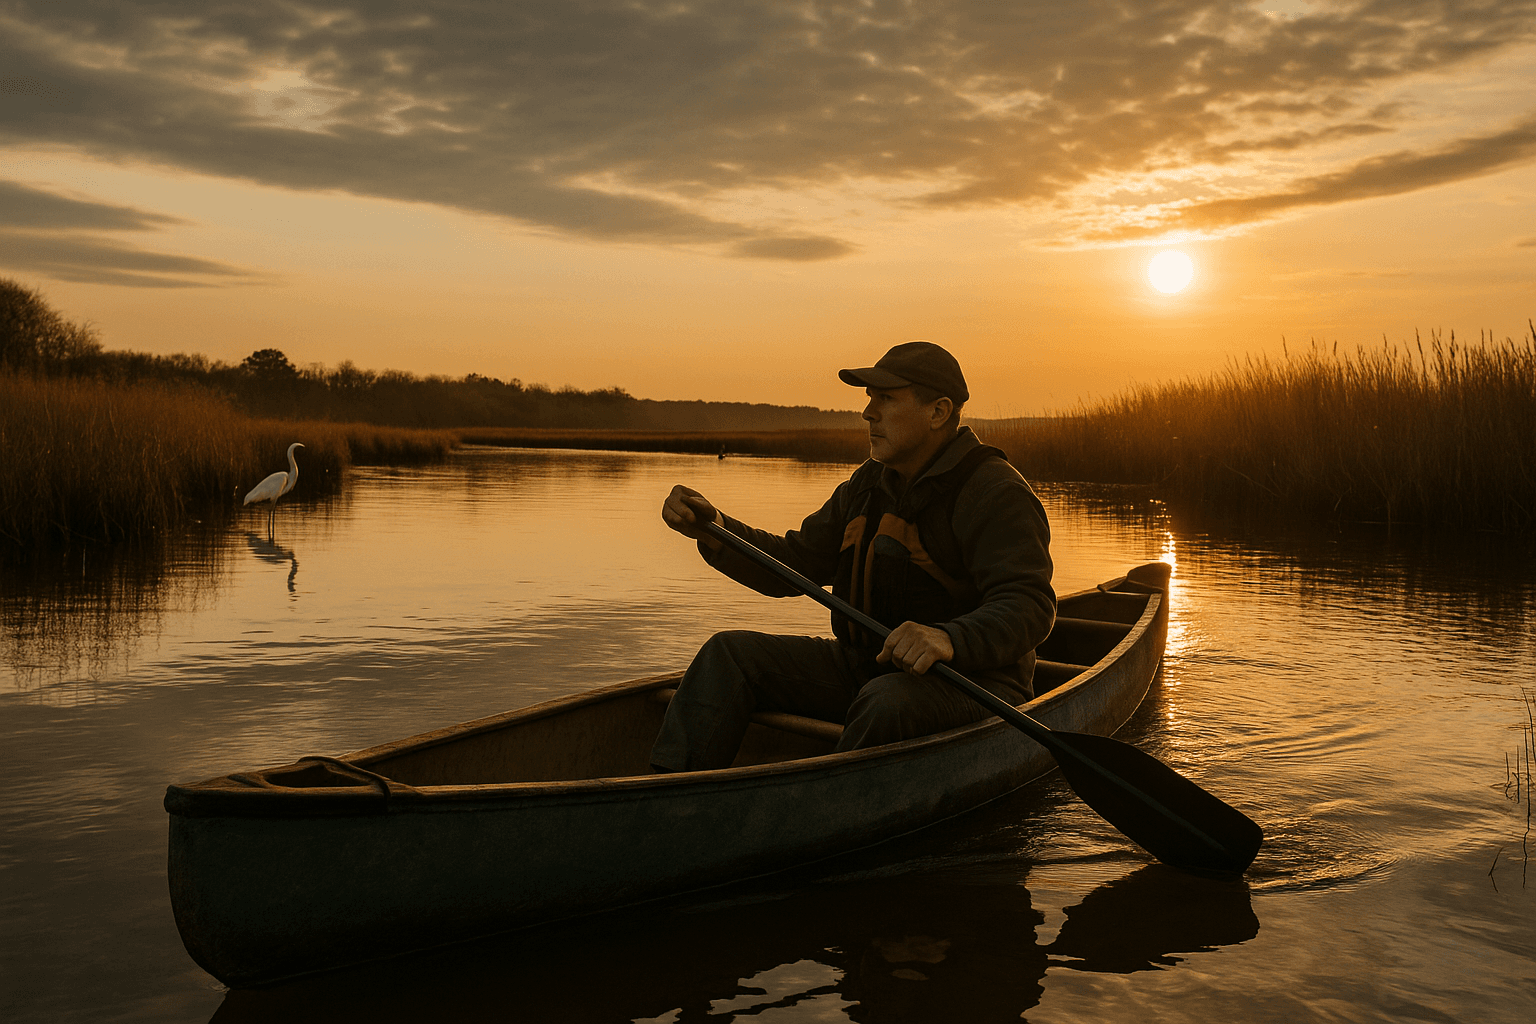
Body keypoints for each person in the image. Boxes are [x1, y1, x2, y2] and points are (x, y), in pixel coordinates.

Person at [649, 341, 1054, 772]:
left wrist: (949, 638)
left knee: (886, 703)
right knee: (728, 654)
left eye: (886, 398)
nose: (868, 413)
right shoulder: (867, 483)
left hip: (974, 683)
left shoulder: (994, 491)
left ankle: (821, 815)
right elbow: (795, 562)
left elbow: (1030, 605)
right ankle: (665, 794)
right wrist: (717, 531)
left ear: (938, 412)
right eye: (869, 399)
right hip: (864, 667)